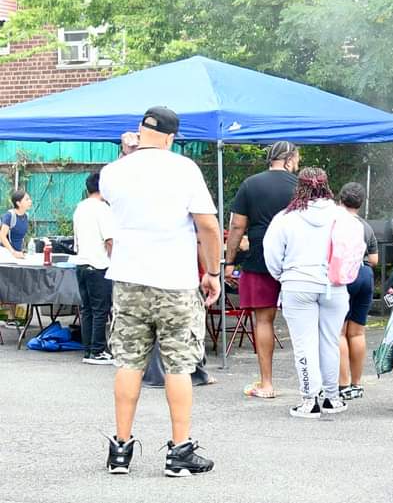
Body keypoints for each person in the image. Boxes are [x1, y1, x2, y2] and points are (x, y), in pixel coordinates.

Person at [100, 106, 219, 476]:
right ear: (170, 137)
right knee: (179, 365)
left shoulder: (112, 172)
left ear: (139, 131)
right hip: (176, 283)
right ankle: (179, 452)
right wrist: (213, 271)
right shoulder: (184, 169)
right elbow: (208, 227)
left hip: (128, 280)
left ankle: (120, 450)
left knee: (128, 362)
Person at [263, 167, 352, 419]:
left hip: (298, 283)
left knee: (304, 344)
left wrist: (282, 276)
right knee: (330, 341)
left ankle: (309, 400)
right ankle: (331, 397)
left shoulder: (286, 217)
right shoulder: (341, 216)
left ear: (298, 187)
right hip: (335, 285)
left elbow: (271, 253)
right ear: (326, 186)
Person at [224, 141, 301, 400]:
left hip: (259, 260)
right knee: (305, 321)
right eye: (297, 158)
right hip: (295, 261)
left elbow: (236, 227)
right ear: (289, 159)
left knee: (263, 321)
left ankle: (267, 384)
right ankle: (313, 384)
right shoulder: (299, 186)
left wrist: (230, 261)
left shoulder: (251, 184)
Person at [337, 182, 379, 401]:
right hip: (365, 275)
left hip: (344, 275)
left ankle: (342, 385)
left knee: (340, 332)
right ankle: (357, 383)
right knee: (357, 332)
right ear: (361, 203)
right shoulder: (366, 226)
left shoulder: (336, 222)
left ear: (340, 199)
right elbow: (374, 260)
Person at [72, 173, 115, 365]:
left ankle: (88, 349)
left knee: (87, 309)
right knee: (100, 310)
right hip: (98, 264)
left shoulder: (79, 208)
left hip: (81, 263)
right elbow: (110, 240)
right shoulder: (102, 209)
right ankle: (98, 350)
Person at [1, 189, 31, 258]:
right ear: (18, 203)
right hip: (6, 254)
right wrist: (13, 252)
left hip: (18, 253)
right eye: (27, 199)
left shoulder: (26, 216)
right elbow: (2, 236)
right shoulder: (9, 216)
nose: (30, 201)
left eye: (29, 199)